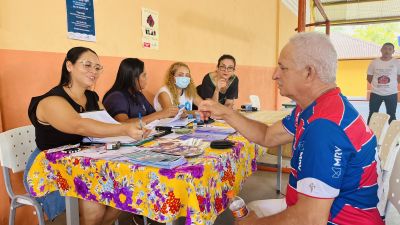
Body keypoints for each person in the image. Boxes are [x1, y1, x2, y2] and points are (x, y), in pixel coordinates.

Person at [198, 32, 384, 225]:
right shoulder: (316, 107)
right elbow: (267, 136)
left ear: (309, 73)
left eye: (283, 68)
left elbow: (309, 220)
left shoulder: (324, 128)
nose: (274, 75)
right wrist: (225, 112)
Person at [24, 47, 149, 225]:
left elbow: (108, 125)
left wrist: (133, 129)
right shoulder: (51, 101)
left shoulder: (92, 97)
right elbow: (79, 125)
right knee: (94, 209)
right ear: (69, 65)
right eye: (87, 65)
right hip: (50, 169)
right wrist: (124, 130)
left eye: (98, 68)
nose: (94, 71)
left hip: (84, 165)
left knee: (124, 191)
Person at [103, 58, 178, 124]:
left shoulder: (138, 94)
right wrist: (160, 114)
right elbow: (123, 123)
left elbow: (153, 115)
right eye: (144, 75)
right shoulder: (116, 96)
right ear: (133, 77)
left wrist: (174, 113)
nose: (146, 78)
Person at [367, 42, 400, 124]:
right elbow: (369, 77)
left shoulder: (397, 63)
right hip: (376, 93)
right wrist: (379, 86)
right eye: (385, 48)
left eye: (390, 49)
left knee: (392, 115)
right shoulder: (374, 62)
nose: (387, 51)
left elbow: (399, 77)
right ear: (381, 50)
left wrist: (390, 86)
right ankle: (369, 134)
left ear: (393, 51)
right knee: (373, 114)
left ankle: (392, 135)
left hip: (391, 93)